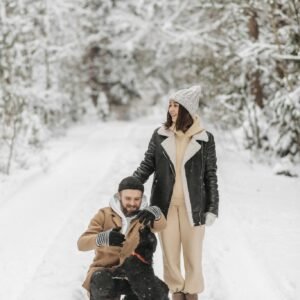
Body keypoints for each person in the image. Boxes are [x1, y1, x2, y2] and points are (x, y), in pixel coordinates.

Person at [132, 85, 220, 300]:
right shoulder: (160, 135)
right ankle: (176, 295)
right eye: (169, 105)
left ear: (187, 109)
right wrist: (130, 185)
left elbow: (211, 176)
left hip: (195, 209)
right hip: (165, 207)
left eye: (176, 105)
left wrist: (212, 207)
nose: (171, 109)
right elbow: (147, 165)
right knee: (170, 257)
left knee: (193, 257)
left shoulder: (205, 138)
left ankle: (192, 295)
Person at [77, 176, 167, 300]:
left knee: (161, 289)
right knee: (102, 281)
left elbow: (161, 225)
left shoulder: (144, 216)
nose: (132, 203)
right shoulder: (104, 214)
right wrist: (104, 238)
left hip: (133, 274)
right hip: (105, 273)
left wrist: (156, 212)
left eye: (137, 199)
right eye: (128, 198)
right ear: (119, 196)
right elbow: (81, 244)